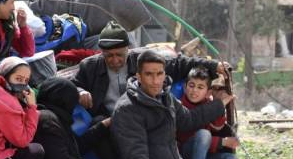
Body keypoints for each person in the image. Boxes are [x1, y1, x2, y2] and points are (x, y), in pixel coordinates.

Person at [111, 50, 237, 159]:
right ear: (138, 76)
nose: (155, 80)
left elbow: (189, 120)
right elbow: (135, 155)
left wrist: (218, 104)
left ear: (164, 75)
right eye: (149, 74)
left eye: (159, 74)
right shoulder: (127, 108)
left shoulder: (166, 98)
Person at [72, 20, 230, 120]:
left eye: (119, 55)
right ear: (101, 52)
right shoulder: (90, 66)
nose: (114, 60)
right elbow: (72, 85)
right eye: (109, 56)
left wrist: (214, 65)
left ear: (128, 49)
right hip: (108, 120)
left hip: (141, 118)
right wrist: (79, 92)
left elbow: (178, 63)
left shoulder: (143, 60)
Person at [15, 77, 130, 159]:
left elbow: (77, 145)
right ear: (65, 99)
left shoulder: (55, 116)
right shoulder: (46, 120)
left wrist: (103, 125)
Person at [177, 67, 240, 159]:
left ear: (208, 92)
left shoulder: (209, 104)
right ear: (185, 87)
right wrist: (222, 142)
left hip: (204, 157)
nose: (194, 90)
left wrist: (218, 104)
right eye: (191, 85)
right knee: (204, 134)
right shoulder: (179, 105)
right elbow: (186, 136)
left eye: (200, 87)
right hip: (184, 156)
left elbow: (218, 126)